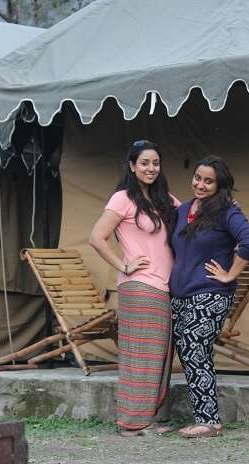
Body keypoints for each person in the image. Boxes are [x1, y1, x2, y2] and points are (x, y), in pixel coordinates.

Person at [89, 140, 179, 436]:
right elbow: (97, 237)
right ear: (131, 166)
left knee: (156, 356)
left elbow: (193, 215)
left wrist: (225, 205)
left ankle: (143, 419)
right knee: (141, 355)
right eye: (144, 163)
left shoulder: (164, 199)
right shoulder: (122, 199)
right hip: (140, 286)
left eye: (155, 163)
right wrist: (123, 264)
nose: (151, 168)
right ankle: (132, 423)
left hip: (163, 287)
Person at [169, 155, 249, 438]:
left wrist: (230, 274)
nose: (201, 185)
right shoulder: (182, 210)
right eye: (198, 178)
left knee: (195, 346)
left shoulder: (227, 210)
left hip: (210, 294)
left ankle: (209, 422)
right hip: (181, 295)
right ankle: (206, 418)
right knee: (191, 353)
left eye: (209, 181)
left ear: (219, 185)